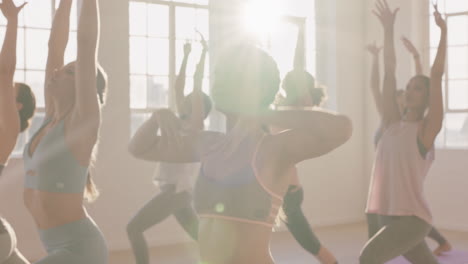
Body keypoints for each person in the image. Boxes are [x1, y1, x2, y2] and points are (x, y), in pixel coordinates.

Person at [360, 1, 447, 263]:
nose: (409, 90)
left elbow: (436, 73)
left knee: (368, 258)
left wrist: (443, 32)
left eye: (417, 88)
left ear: (427, 98)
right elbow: (389, 73)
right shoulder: (390, 123)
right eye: (409, 86)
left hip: (412, 220)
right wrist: (388, 29)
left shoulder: (425, 132)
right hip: (386, 214)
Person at [22, 0, 108, 263]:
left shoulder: (80, 126)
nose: (57, 71)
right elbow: (54, 47)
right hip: (54, 247)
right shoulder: (51, 120)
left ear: (85, 85)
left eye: (71, 72)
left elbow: (86, 43)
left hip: (80, 249)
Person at [127, 36, 211, 264]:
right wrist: (185, 55)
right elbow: (179, 86)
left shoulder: (196, 126)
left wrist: (203, 55)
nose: (182, 100)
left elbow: (195, 83)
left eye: (190, 101)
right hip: (178, 192)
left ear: (198, 109)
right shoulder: (178, 123)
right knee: (203, 239)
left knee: (133, 228)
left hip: (176, 191)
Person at [277, 17, 337, 264]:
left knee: (301, 233)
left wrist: (301, 32)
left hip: (287, 187)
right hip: (281, 182)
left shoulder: (300, 104)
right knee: (299, 231)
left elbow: (298, 65)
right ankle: (329, 260)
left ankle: (330, 261)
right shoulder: (281, 105)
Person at [0, 1, 34, 263]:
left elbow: (5, 70)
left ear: (18, 105)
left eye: (11, 88)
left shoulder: (8, 129)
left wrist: (12, 23)